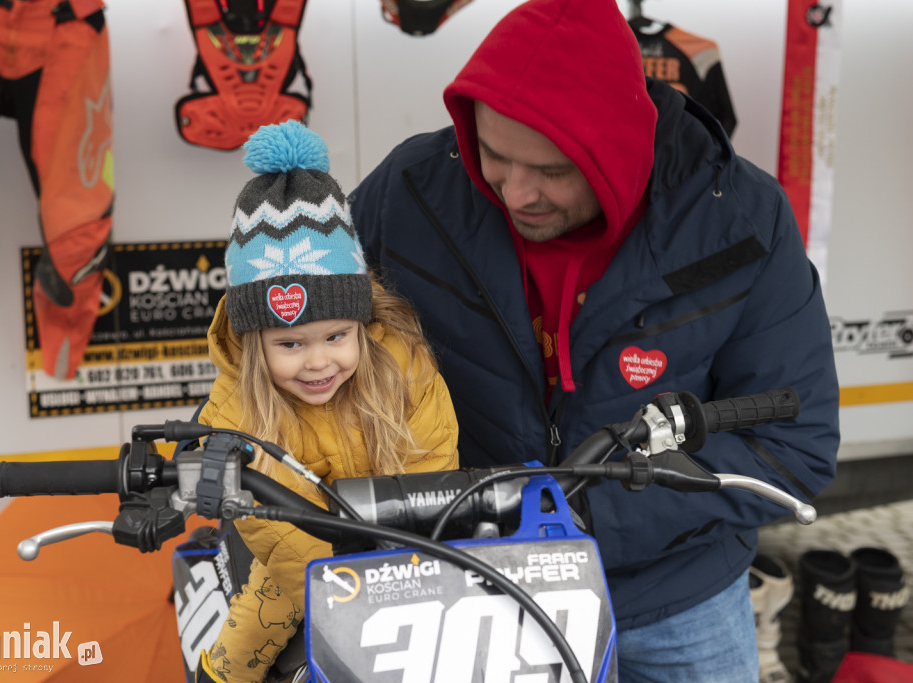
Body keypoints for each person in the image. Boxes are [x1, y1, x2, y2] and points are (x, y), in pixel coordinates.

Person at [348, 0, 840, 680]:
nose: (517, 193)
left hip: (676, 601)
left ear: (619, 148)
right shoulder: (412, 191)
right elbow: (301, 336)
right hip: (472, 588)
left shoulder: (740, 219)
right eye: (494, 155)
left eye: (552, 171)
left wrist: (570, 514)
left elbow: (793, 442)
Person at [194, 120, 460, 683]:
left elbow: (434, 468)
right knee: (253, 634)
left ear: (361, 322)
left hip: (403, 543)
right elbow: (279, 536)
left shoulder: (405, 366)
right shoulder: (236, 407)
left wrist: (410, 570)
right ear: (254, 342)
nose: (318, 362)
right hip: (306, 557)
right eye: (290, 344)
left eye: (336, 337)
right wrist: (350, 599)